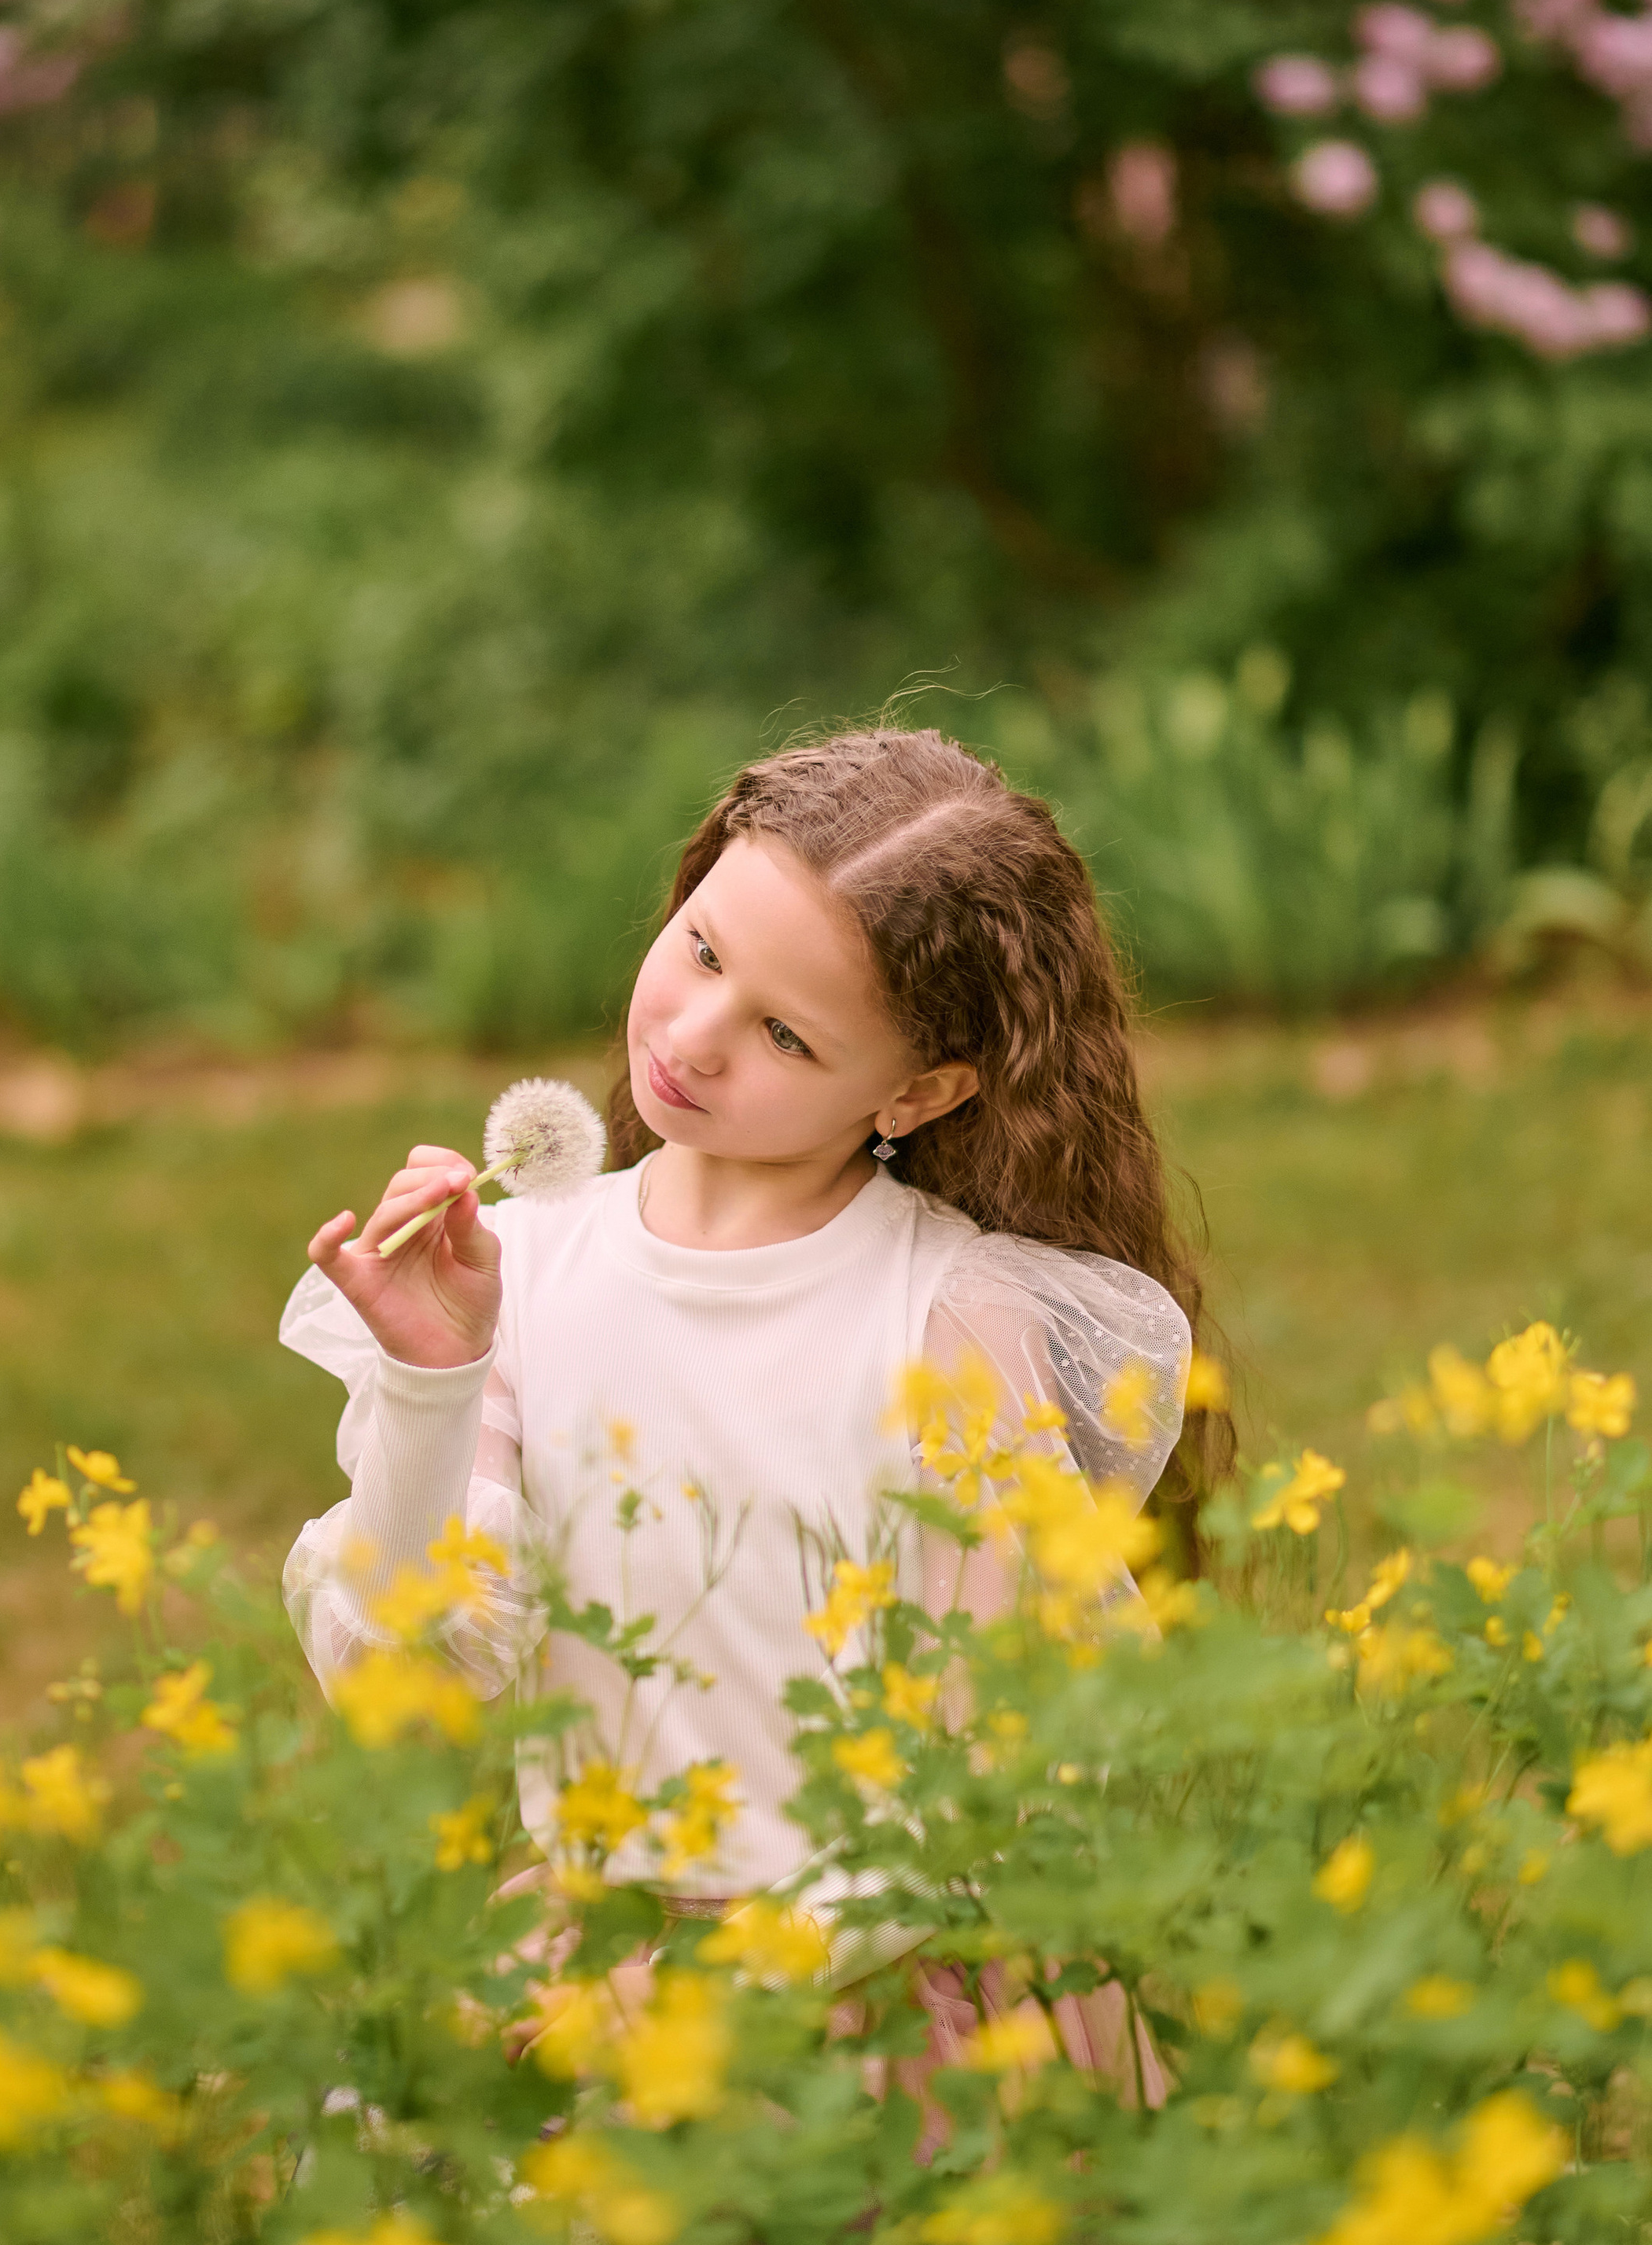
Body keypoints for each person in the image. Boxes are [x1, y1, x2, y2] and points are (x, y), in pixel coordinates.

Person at [278, 727, 1212, 2092]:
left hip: (873, 1996)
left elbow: (996, 1778)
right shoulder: (524, 1271)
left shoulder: (948, 1323)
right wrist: (434, 1379)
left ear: (919, 1090)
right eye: (706, 952)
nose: (695, 1040)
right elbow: (400, 1690)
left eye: (784, 1031)